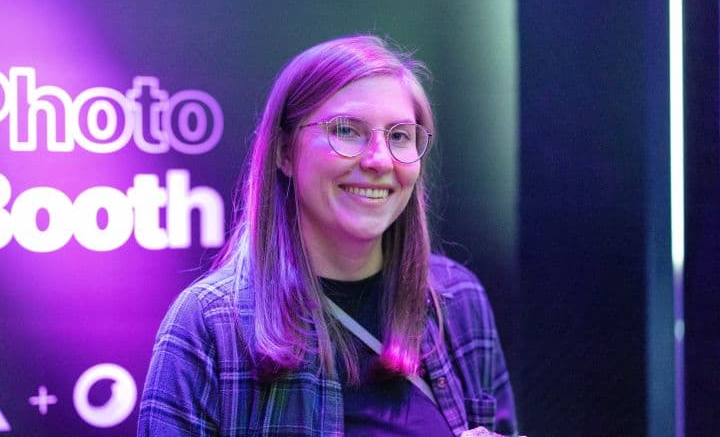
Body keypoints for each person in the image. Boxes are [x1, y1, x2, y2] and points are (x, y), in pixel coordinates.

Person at [138, 35, 519, 436]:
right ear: (285, 152)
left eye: (400, 135)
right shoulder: (210, 324)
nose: (378, 160)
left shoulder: (457, 300)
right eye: (347, 130)